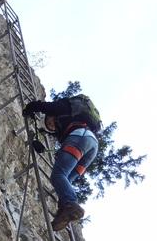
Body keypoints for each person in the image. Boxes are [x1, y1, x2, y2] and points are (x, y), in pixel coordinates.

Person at [22, 95, 100, 231]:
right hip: (91, 146)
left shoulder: (63, 109)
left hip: (81, 136)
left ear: (51, 116)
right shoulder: (67, 125)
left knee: (58, 174)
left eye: (49, 121)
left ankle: (70, 204)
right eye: (49, 127)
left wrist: (32, 107)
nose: (51, 125)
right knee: (65, 180)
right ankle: (63, 212)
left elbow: (49, 107)